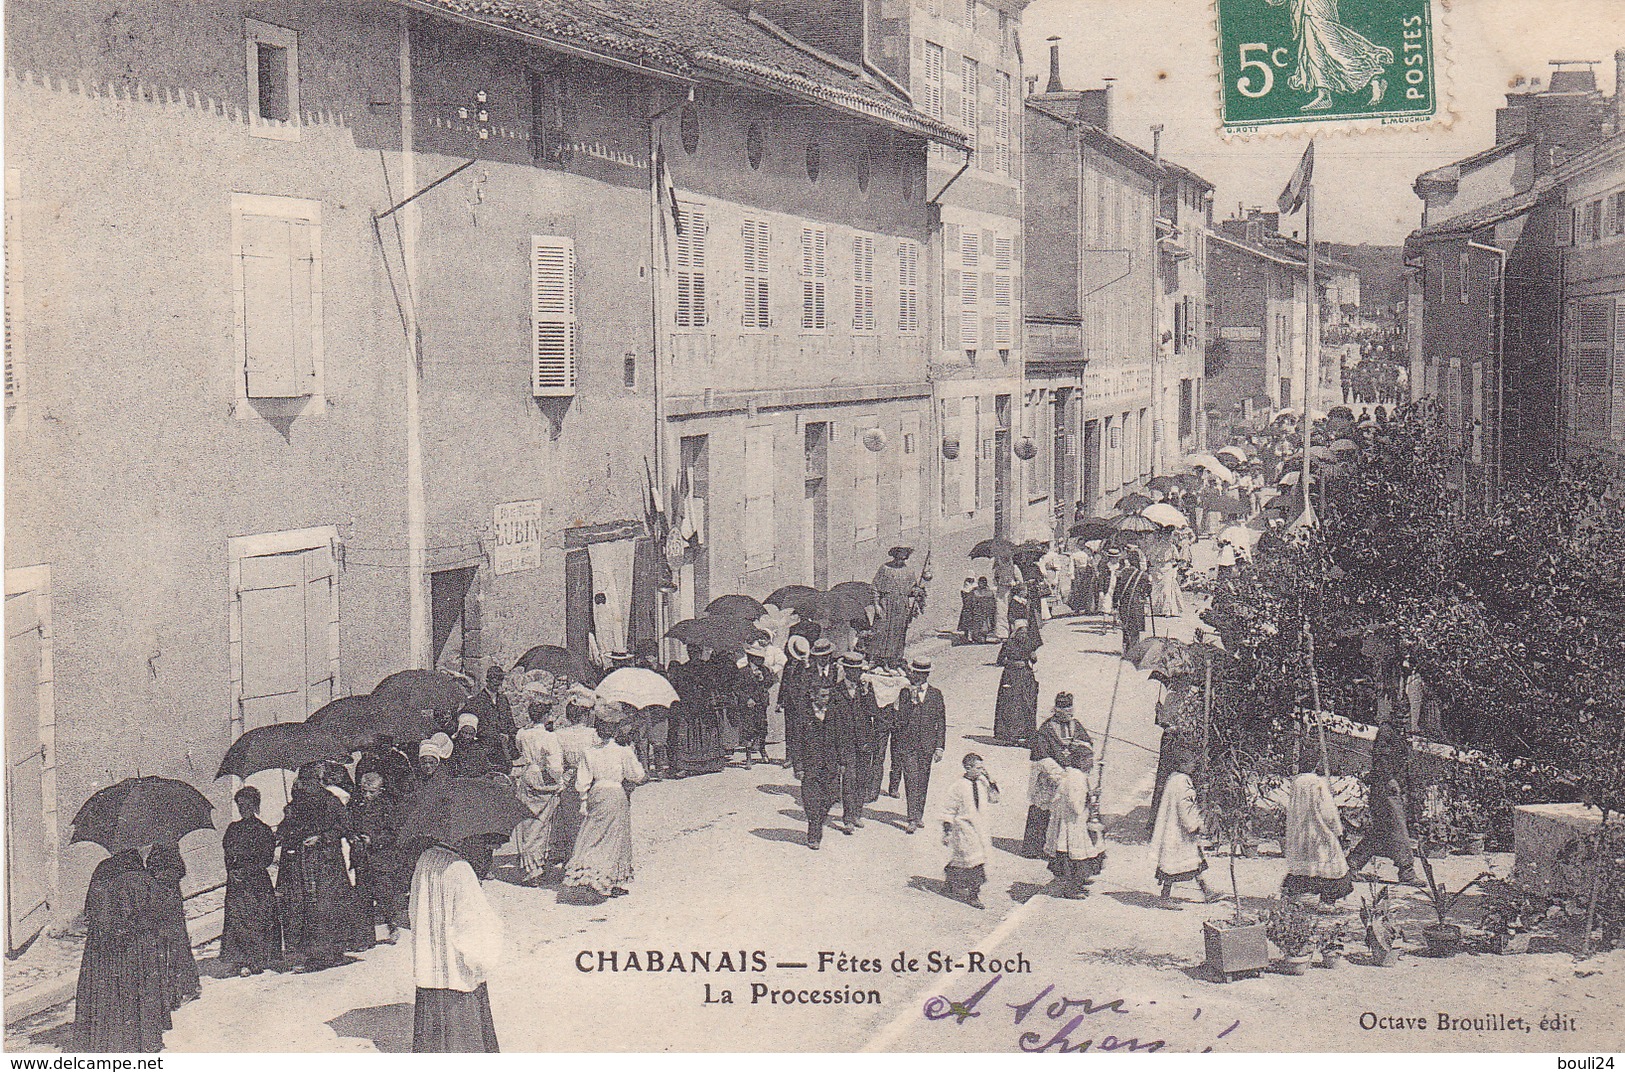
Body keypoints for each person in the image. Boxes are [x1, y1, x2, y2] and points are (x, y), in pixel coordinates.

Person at [74, 842, 197, 1052]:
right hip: (135, 948)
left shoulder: (102, 870)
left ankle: (106, 1037)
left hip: (103, 947)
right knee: (137, 991)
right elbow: (158, 913)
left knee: (110, 992)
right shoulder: (141, 878)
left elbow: (90, 909)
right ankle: (139, 1039)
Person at [410, 841, 503, 1053]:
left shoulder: (424, 860)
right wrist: (480, 963)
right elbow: (473, 927)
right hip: (456, 974)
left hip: (429, 969)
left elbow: (414, 910)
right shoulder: (460, 869)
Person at [278, 766, 372, 971]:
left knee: (326, 907)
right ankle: (311, 954)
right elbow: (289, 829)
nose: (305, 784)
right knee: (306, 908)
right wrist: (287, 820)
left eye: (309, 780)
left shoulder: (331, 801)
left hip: (328, 863)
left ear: (317, 780)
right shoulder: (298, 803)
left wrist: (321, 838)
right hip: (304, 863)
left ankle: (331, 953)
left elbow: (344, 827)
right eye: (303, 780)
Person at [562, 706, 648, 898]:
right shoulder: (623, 751)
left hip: (597, 793)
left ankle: (588, 872)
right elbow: (637, 775)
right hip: (616, 794)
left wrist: (584, 799)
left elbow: (582, 781)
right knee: (616, 837)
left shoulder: (589, 752)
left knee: (593, 834)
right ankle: (612, 879)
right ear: (616, 729)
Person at [1345, 711, 1420, 884]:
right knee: (1398, 828)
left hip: (1392, 789)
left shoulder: (1401, 734)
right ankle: (1406, 871)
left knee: (1381, 832)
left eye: (1407, 717)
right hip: (1384, 789)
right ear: (1393, 716)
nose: (1404, 720)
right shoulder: (1386, 731)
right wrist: (1390, 779)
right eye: (1400, 716)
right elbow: (1380, 759)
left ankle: (1353, 864)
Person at [220, 786, 281, 976]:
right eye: (239, 805)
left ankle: (257, 959)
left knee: (257, 919)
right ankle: (240, 959)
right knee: (237, 920)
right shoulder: (233, 829)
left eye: (246, 805)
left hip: (256, 882)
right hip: (237, 882)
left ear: (255, 806)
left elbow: (266, 858)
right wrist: (232, 870)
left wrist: (248, 870)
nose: (242, 809)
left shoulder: (263, 830)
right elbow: (227, 853)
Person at [1282, 747, 1354, 904]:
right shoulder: (1318, 783)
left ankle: (1295, 896)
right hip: (1319, 831)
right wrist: (1337, 830)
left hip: (1301, 831)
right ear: (1316, 764)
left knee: (1304, 864)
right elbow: (1327, 811)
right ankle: (1327, 901)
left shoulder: (1297, 783)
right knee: (1329, 865)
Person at [1024, 692, 1091, 857]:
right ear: (1057, 710)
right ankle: (1034, 848)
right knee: (1042, 808)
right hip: (1050, 776)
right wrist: (1059, 774)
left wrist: (1082, 753)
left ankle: (1063, 848)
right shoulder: (1046, 729)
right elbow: (1040, 755)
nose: (1069, 712)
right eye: (1065, 708)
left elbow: (1086, 745)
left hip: (1071, 776)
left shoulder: (1076, 725)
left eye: (1071, 708)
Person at [1150, 750, 1222, 905]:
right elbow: (1185, 807)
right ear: (1182, 764)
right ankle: (1165, 898)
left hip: (1172, 829)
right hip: (1179, 831)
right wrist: (1194, 825)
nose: (1193, 766)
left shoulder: (1172, 778)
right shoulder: (1183, 782)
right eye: (1191, 763)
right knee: (1178, 864)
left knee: (1192, 862)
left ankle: (1206, 891)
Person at [513, 705, 565, 886]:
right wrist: (558, 779)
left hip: (527, 774)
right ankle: (535, 869)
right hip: (542, 776)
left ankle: (528, 867)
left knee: (527, 823)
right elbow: (555, 765)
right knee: (540, 824)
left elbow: (519, 749)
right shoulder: (549, 737)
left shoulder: (522, 734)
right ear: (545, 716)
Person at [893, 657, 946, 832]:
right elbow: (899, 720)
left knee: (923, 780)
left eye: (923, 674)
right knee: (911, 779)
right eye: (916, 673)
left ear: (927, 675)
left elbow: (941, 722)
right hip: (908, 744)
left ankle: (919, 814)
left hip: (927, 745)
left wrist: (939, 747)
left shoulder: (936, 694)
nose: (919, 677)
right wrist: (909, 704)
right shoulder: (905, 693)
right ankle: (912, 818)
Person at [1045, 746, 1105, 899]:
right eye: (1088, 760)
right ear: (1080, 760)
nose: (1091, 763)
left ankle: (1076, 885)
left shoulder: (1074, 774)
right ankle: (1071, 889)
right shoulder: (1075, 778)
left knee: (1079, 858)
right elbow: (1076, 805)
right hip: (1072, 824)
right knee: (1075, 859)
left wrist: (1090, 794)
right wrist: (1090, 799)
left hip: (1075, 822)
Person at [941, 753, 999, 909]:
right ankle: (973, 895)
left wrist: (991, 780)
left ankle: (950, 879)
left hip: (981, 828)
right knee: (975, 863)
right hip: (964, 829)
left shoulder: (982, 783)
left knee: (964, 860)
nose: (982, 770)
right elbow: (949, 810)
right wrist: (947, 831)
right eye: (978, 768)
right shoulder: (958, 786)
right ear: (968, 768)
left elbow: (995, 799)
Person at [350, 772, 404, 942]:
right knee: (363, 896)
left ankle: (392, 925)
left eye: (371, 792)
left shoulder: (386, 807)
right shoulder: (356, 805)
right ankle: (365, 937)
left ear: (380, 791)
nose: (367, 795)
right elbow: (349, 823)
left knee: (384, 895)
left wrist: (373, 840)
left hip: (381, 859)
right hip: (362, 858)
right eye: (364, 791)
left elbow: (392, 833)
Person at [798, 646, 843, 850]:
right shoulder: (805, 716)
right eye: (822, 696)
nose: (825, 700)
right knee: (811, 800)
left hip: (830, 763)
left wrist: (842, 761)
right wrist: (798, 765)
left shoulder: (834, 714)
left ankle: (818, 821)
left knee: (829, 798)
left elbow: (841, 738)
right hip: (811, 764)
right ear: (813, 696)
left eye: (827, 696)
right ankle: (814, 832)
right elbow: (796, 742)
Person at [146, 841, 201, 1006]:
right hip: (161, 904)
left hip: (171, 903)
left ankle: (190, 987)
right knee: (166, 948)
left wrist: (159, 876)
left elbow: (180, 870)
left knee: (178, 946)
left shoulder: (169, 846)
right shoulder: (155, 848)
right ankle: (172, 991)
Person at [829, 652, 877, 831]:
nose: (857, 674)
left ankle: (857, 813)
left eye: (859, 671)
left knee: (862, 780)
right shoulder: (836, 691)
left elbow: (874, 712)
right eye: (853, 671)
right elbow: (833, 720)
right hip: (846, 743)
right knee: (849, 780)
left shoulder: (864, 690)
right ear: (847, 671)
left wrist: (866, 694)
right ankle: (848, 818)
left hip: (864, 742)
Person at [549, 699, 598, 869]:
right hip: (589, 780)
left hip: (569, 780)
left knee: (571, 822)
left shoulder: (559, 734)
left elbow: (556, 763)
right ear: (584, 715)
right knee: (588, 821)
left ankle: (571, 859)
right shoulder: (593, 734)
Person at [668, 647, 730, 776]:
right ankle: (689, 764)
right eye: (691, 653)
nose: (693, 655)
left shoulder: (706, 668)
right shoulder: (685, 668)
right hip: (691, 705)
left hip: (703, 706)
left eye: (695, 653)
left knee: (703, 733)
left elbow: (713, 684)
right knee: (691, 734)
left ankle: (710, 763)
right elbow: (679, 687)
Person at [871, 546, 928, 668]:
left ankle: (894, 660)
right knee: (882, 631)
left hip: (901, 606)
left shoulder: (908, 571)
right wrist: (877, 605)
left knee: (898, 633)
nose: (900, 561)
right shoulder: (885, 569)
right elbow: (875, 587)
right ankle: (880, 660)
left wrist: (917, 591)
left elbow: (911, 589)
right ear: (894, 557)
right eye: (898, 558)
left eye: (903, 559)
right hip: (886, 604)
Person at [460, 665, 518, 768]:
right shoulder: (476, 701)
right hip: (487, 749)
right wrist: (495, 736)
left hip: (505, 750)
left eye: (500, 679)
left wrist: (511, 735)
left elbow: (510, 722)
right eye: (494, 678)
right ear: (487, 680)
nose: (497, 683)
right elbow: (473, 727)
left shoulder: (503, 700)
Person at [992, 625, 1040, 745]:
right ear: (1016, 633)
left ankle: (1026, 733)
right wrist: (1013, 664)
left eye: (1025, 633)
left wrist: (1033, 657)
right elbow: (1000, 661)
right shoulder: (1008, 644)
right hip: (1011, 677)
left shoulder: (1029, 643)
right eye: (1021, 633)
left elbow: (1033, 660)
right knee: (1011, 705)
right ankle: (1010, 735)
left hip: (1026, 678)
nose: (1023, 635)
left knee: (1027, 704)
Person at [736, 641, 777, 767]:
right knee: (748, 729)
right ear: (751, 658)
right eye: (758, 658)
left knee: (762, 727)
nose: (761, 660)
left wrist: (762, 678)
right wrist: (747, 698)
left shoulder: (765, 670)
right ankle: (748, 756)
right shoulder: (743, 671)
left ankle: (762, 750)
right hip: (748, 705)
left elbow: (771, 682)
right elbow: (737, 688)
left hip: (761, 703)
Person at [778, 635, 813, 777]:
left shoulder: (807, 666)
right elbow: (784, 683)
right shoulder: (788, 664)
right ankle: (789, 756)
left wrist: (806, 666)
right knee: (789, 728)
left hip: (801, 703)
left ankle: (799, 758)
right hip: (789, 701)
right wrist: (780, 701)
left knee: (799, 731)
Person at [1115, 550, 1151, 655]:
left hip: (1124, 603)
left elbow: (1117, 589)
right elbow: (1147, 591)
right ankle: (1134, 649)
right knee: (1135, 628)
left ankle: (1126, 649)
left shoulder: (1123, 572)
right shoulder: (1143, 575)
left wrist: (1114, 603)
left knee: (1126, 626)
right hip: (1137, 604)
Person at [1068, 543, 1099, 615]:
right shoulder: (1087, 555)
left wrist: (1072, 575)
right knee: (1084, 590)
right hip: (1084, 572)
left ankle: (1079, 609)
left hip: (1082, 572)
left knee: (1079, 590)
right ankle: (1084, 608)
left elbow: (1072, 566)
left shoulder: (1076, 555)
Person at [968, 577, 997, 643]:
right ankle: (976, 637)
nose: (981, 584)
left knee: (985, 626)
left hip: (985, 613)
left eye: (982, 583)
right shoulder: (974, 591)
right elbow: (972, 602)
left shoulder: (989, 592)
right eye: (980, 582)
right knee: (977, 625)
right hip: (977, 612)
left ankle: (982, 637)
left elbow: (992, 604)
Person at [956, 577, 978, 641]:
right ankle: (967, 636)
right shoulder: (965, 589)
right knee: (967, 623)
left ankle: (972, 636)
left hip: (973, 608)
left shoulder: (975, 588)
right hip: (967, 609)